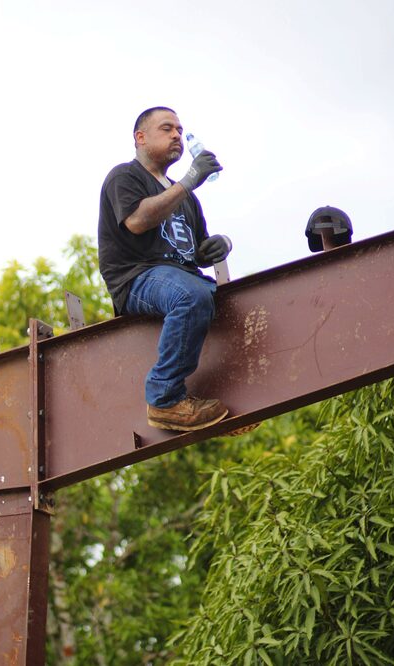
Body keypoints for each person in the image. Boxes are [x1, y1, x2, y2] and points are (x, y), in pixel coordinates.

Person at [98, 106, 232, 432]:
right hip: (137, 278)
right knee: (191, 296)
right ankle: (165, 399)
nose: (176, 135)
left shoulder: (186, 199)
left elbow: (194, 251)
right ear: (140, 138)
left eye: (179, 130)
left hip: (181, 277)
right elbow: (137, 220)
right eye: (167, 128)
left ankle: (233, 402)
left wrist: (218, 245)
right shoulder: (124, 176)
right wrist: (189, 180)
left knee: (231, 302)